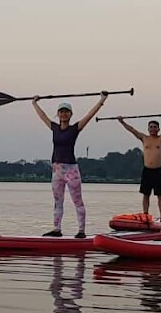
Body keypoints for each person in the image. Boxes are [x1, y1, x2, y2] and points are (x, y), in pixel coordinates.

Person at [33, 92, 109, 237]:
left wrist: (102, 99)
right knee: (57, 201)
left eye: (66, 112)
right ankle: (57, 230)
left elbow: (89, 115)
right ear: (58, 114)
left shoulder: (74, 129)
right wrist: (35, 103)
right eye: (61, 112)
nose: (63, 114)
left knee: (77, 201)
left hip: (71, 170)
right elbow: (42, 116)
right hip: (57, 170)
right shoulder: (54, 128)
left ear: (70, 114)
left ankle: (81, 231)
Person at [118, 113, 161, 218]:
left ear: (158, 129)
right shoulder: (144, 138)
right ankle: (145, 214)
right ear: (148, 129)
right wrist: (122, 121)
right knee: (146, 194)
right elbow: (132, 130)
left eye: (155, 127)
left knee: (160, 195)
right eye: (151, 127)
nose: (153, 129)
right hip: (147, 171)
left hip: (158, 171)